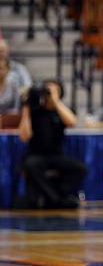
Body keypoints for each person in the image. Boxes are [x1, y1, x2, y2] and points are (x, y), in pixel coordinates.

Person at [18, 81, 86, 209]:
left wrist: (56, 101)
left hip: (56, 155)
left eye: (53, 91)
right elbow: (24, 136)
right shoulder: (35, 111)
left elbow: (72, 122)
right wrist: (26, 109)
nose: (49, 94)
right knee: (30, 164)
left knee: (80, 168)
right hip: (36, 155)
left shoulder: (61, 111)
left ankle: (56, 196)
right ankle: (56, 199)